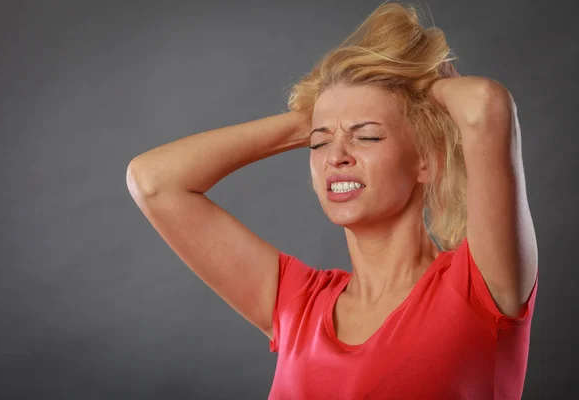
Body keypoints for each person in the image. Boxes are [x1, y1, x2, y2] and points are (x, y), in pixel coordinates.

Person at [126, 3, 538, 399]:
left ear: (425, 162)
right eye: (319, 143)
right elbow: (154, 181)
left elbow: (486, 105)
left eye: (368, 136)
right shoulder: (296, 303)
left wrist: (410, 87)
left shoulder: (476, 286)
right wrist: (318, 114)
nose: (336, 157)